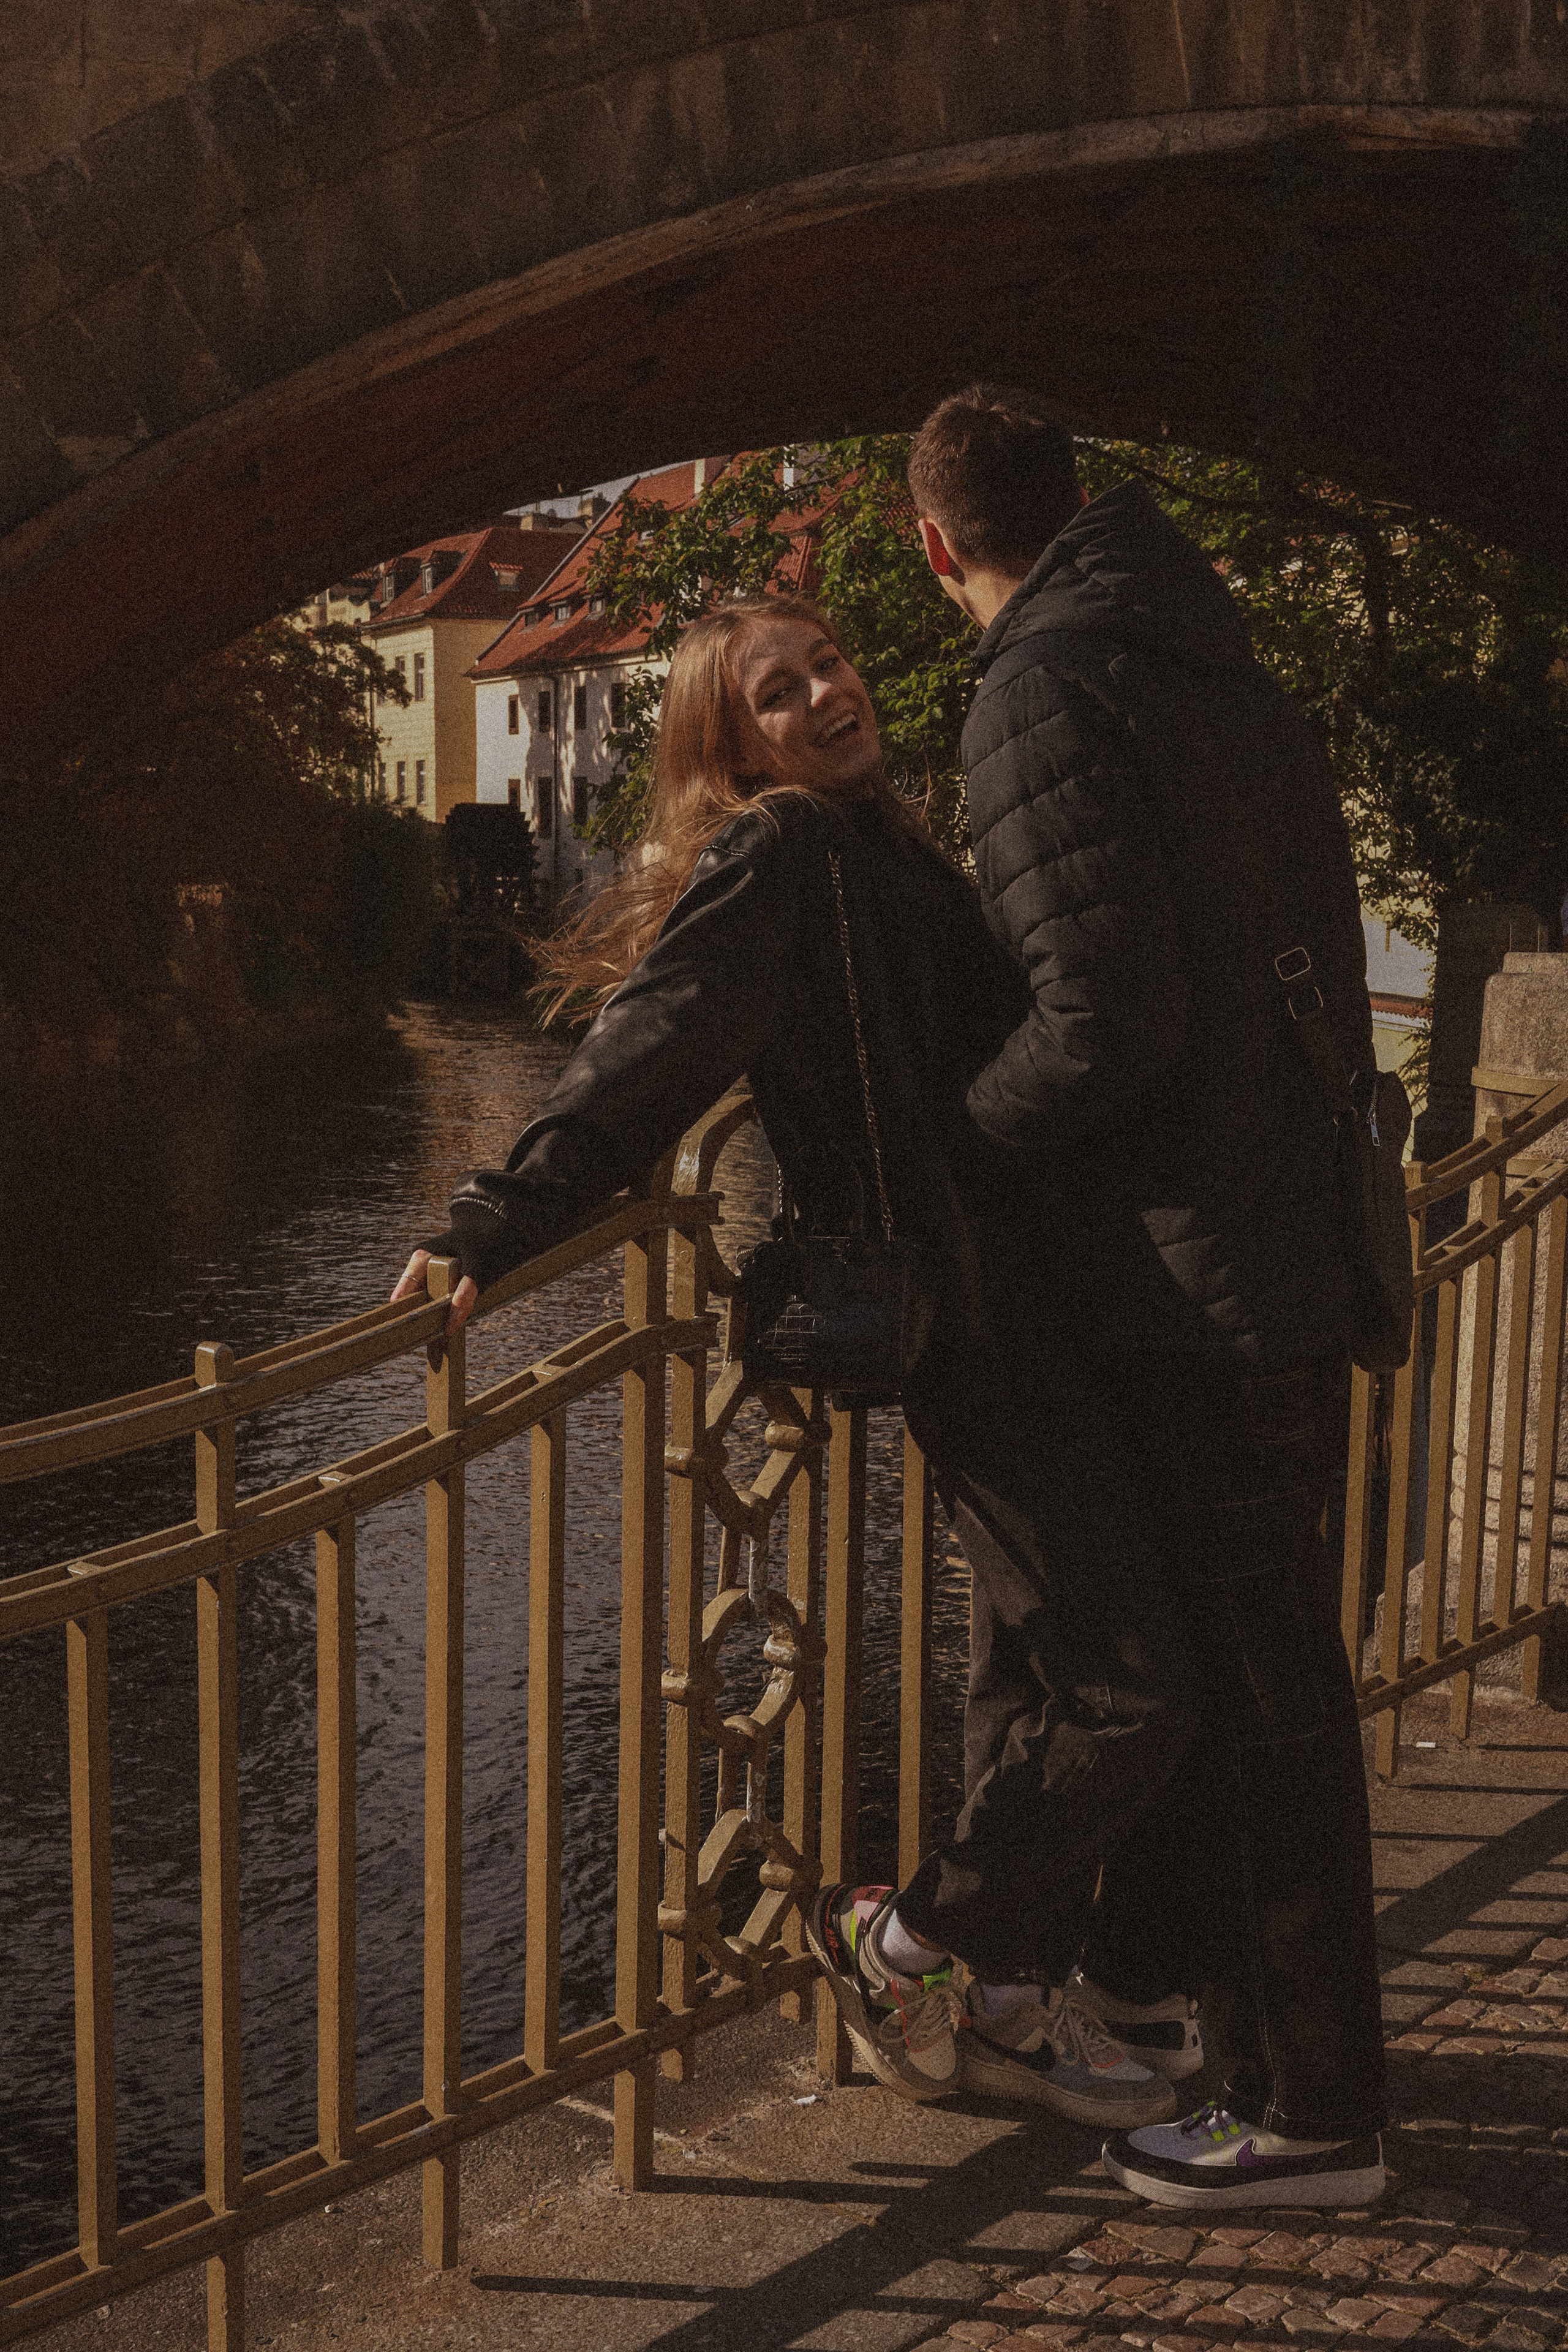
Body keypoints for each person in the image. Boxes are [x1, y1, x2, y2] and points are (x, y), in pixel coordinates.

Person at [393, 590, 1180, 2134]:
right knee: (1131, 1689)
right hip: (969, 1323)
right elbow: (661, 1035)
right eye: (776, 691)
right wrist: (499, 1213)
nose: (827, 691)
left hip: (1015, 1308)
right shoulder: (784, 852)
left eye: (828, 660)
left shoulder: (878, 840)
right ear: (723, 748)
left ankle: (996, 1998)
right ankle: (906, 1950)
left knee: (1034, 1676)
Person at [807, 385, 1390, 2212]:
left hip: (1195, 1277)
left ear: (931, 547)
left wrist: (944, 1160)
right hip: (1285, 1244)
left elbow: (1102, 1028)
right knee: (1258, 1691)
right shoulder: (1202, 651)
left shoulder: (1037, 690)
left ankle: (1312, 2120)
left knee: (1267, 1714)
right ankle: (1194, 2030)